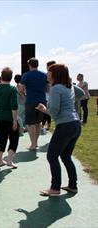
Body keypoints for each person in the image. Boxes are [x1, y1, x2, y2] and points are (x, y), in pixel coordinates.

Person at [36, 64, 81, 196]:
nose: (47, 74)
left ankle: (55, 188)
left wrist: (44, 109)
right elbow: (82, 94)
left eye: (49, 71)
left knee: (52, 156)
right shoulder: (70, 86)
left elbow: (54, 111)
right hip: (75, 124)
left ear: (55, 74)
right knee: (66, 156)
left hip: (65, 125)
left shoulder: (56, 88)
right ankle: (73, 185)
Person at [0, 67, 19, 168]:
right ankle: (9, 160)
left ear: (2, 76)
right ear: (11, 77)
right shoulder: (12, 89)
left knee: (2, 138)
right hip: (9, 118)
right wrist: (15, 121)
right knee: (14, 138)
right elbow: (14, 106)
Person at [19, 58, 47, 151]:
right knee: (38, 123)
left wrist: (24, 97)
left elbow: (21, 89)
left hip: (30, 101)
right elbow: (48, 88)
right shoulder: (44, 75)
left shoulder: (26, 75)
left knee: (30, 124)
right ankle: (36, 143)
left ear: (29, 65)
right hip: (42, 101)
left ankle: (33, 144)